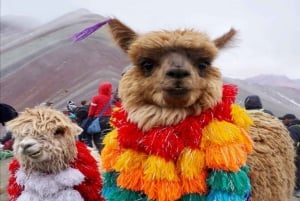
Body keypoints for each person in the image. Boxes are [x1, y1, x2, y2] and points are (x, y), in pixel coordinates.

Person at [85, 82, 113, 151]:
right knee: (109, 136)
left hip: (99, 120)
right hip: (110, 120)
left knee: (97, 137)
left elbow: (92, 110)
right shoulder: (110, 98)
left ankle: (101, 152)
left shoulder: (96, 98)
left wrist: (89, 118)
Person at [279, 113, 300, 197]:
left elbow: (292, 144)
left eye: (284, 120)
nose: (283, 122)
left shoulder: (294, 128)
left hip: (297, 155)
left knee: (296, 172)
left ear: (289, 120)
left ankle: (296, 189)